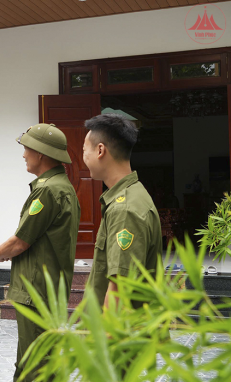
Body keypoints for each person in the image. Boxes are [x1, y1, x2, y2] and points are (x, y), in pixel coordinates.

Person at [0, 123, 80, 381]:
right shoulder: (60, 186)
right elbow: (33, 239)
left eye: (26, 148)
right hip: (46, 287)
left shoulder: (48, 189)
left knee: (35, 363)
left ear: (40, 153)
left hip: (37, 290)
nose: (24, 154)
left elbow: (20, 242)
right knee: (37, 358)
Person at [82, 114, 162, 309]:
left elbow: (119, 289)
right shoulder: (133, 194)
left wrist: (104, 339)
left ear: (100, 150)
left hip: (123, 336)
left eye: (85, 150)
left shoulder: (124, 208)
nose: (83, 157)